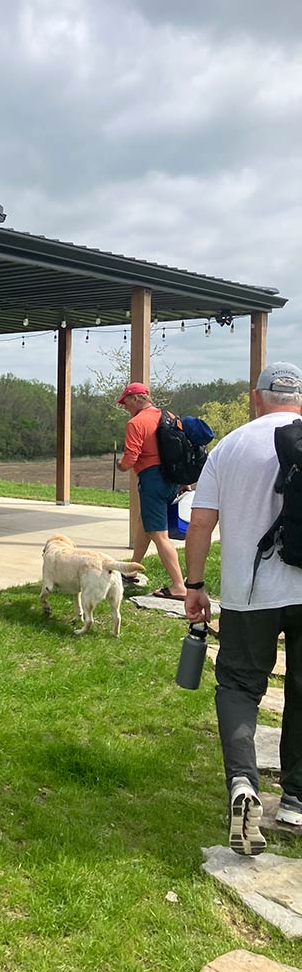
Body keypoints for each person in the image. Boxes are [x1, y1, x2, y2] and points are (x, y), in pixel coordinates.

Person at [184, 361, 302, 854]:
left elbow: (201, 523)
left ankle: (243, 784)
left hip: (248, 592)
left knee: (238, 684)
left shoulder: (231, 446)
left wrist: (193, 585)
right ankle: (295, 798)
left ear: (257, 399)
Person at [115, 382, 187, 599]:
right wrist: (183, 481)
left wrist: (121, 465)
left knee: (159, 534)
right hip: (171, 479)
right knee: (144, 523)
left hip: (151, 480)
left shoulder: (136, 423)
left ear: (137, 398)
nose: (125, 406)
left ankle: (178, 587)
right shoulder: (171, 417)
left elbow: (130, 459)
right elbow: (181, 450)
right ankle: (132, 569)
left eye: (126, 401)